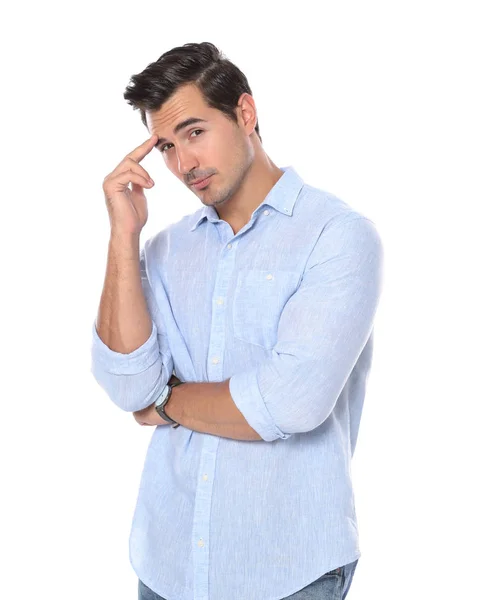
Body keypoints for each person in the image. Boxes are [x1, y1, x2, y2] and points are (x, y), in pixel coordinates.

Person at [90, 42, 384, 600]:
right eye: (168, 147)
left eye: (195, 133)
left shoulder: (337, 236)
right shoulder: (165, 250)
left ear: (245, 114)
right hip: (167, 564)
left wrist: (168, 402)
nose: (183, 165)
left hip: (288, 570)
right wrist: (123, 236)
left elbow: (290, 402)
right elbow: (128, 385)